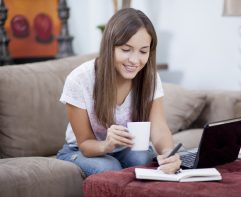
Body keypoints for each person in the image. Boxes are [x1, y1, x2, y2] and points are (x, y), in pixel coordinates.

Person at [56, 8, 181, 177]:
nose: (135, 60)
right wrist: (106, 145)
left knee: (145, 158)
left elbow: (159, 127)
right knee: (109, 167)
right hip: (81, 150)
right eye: (126, 49)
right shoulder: (80, 79)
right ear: (110, 47)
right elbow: (85, 143)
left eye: (143, 51)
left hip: (124, 149)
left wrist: (168, 153)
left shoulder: (149, 77)